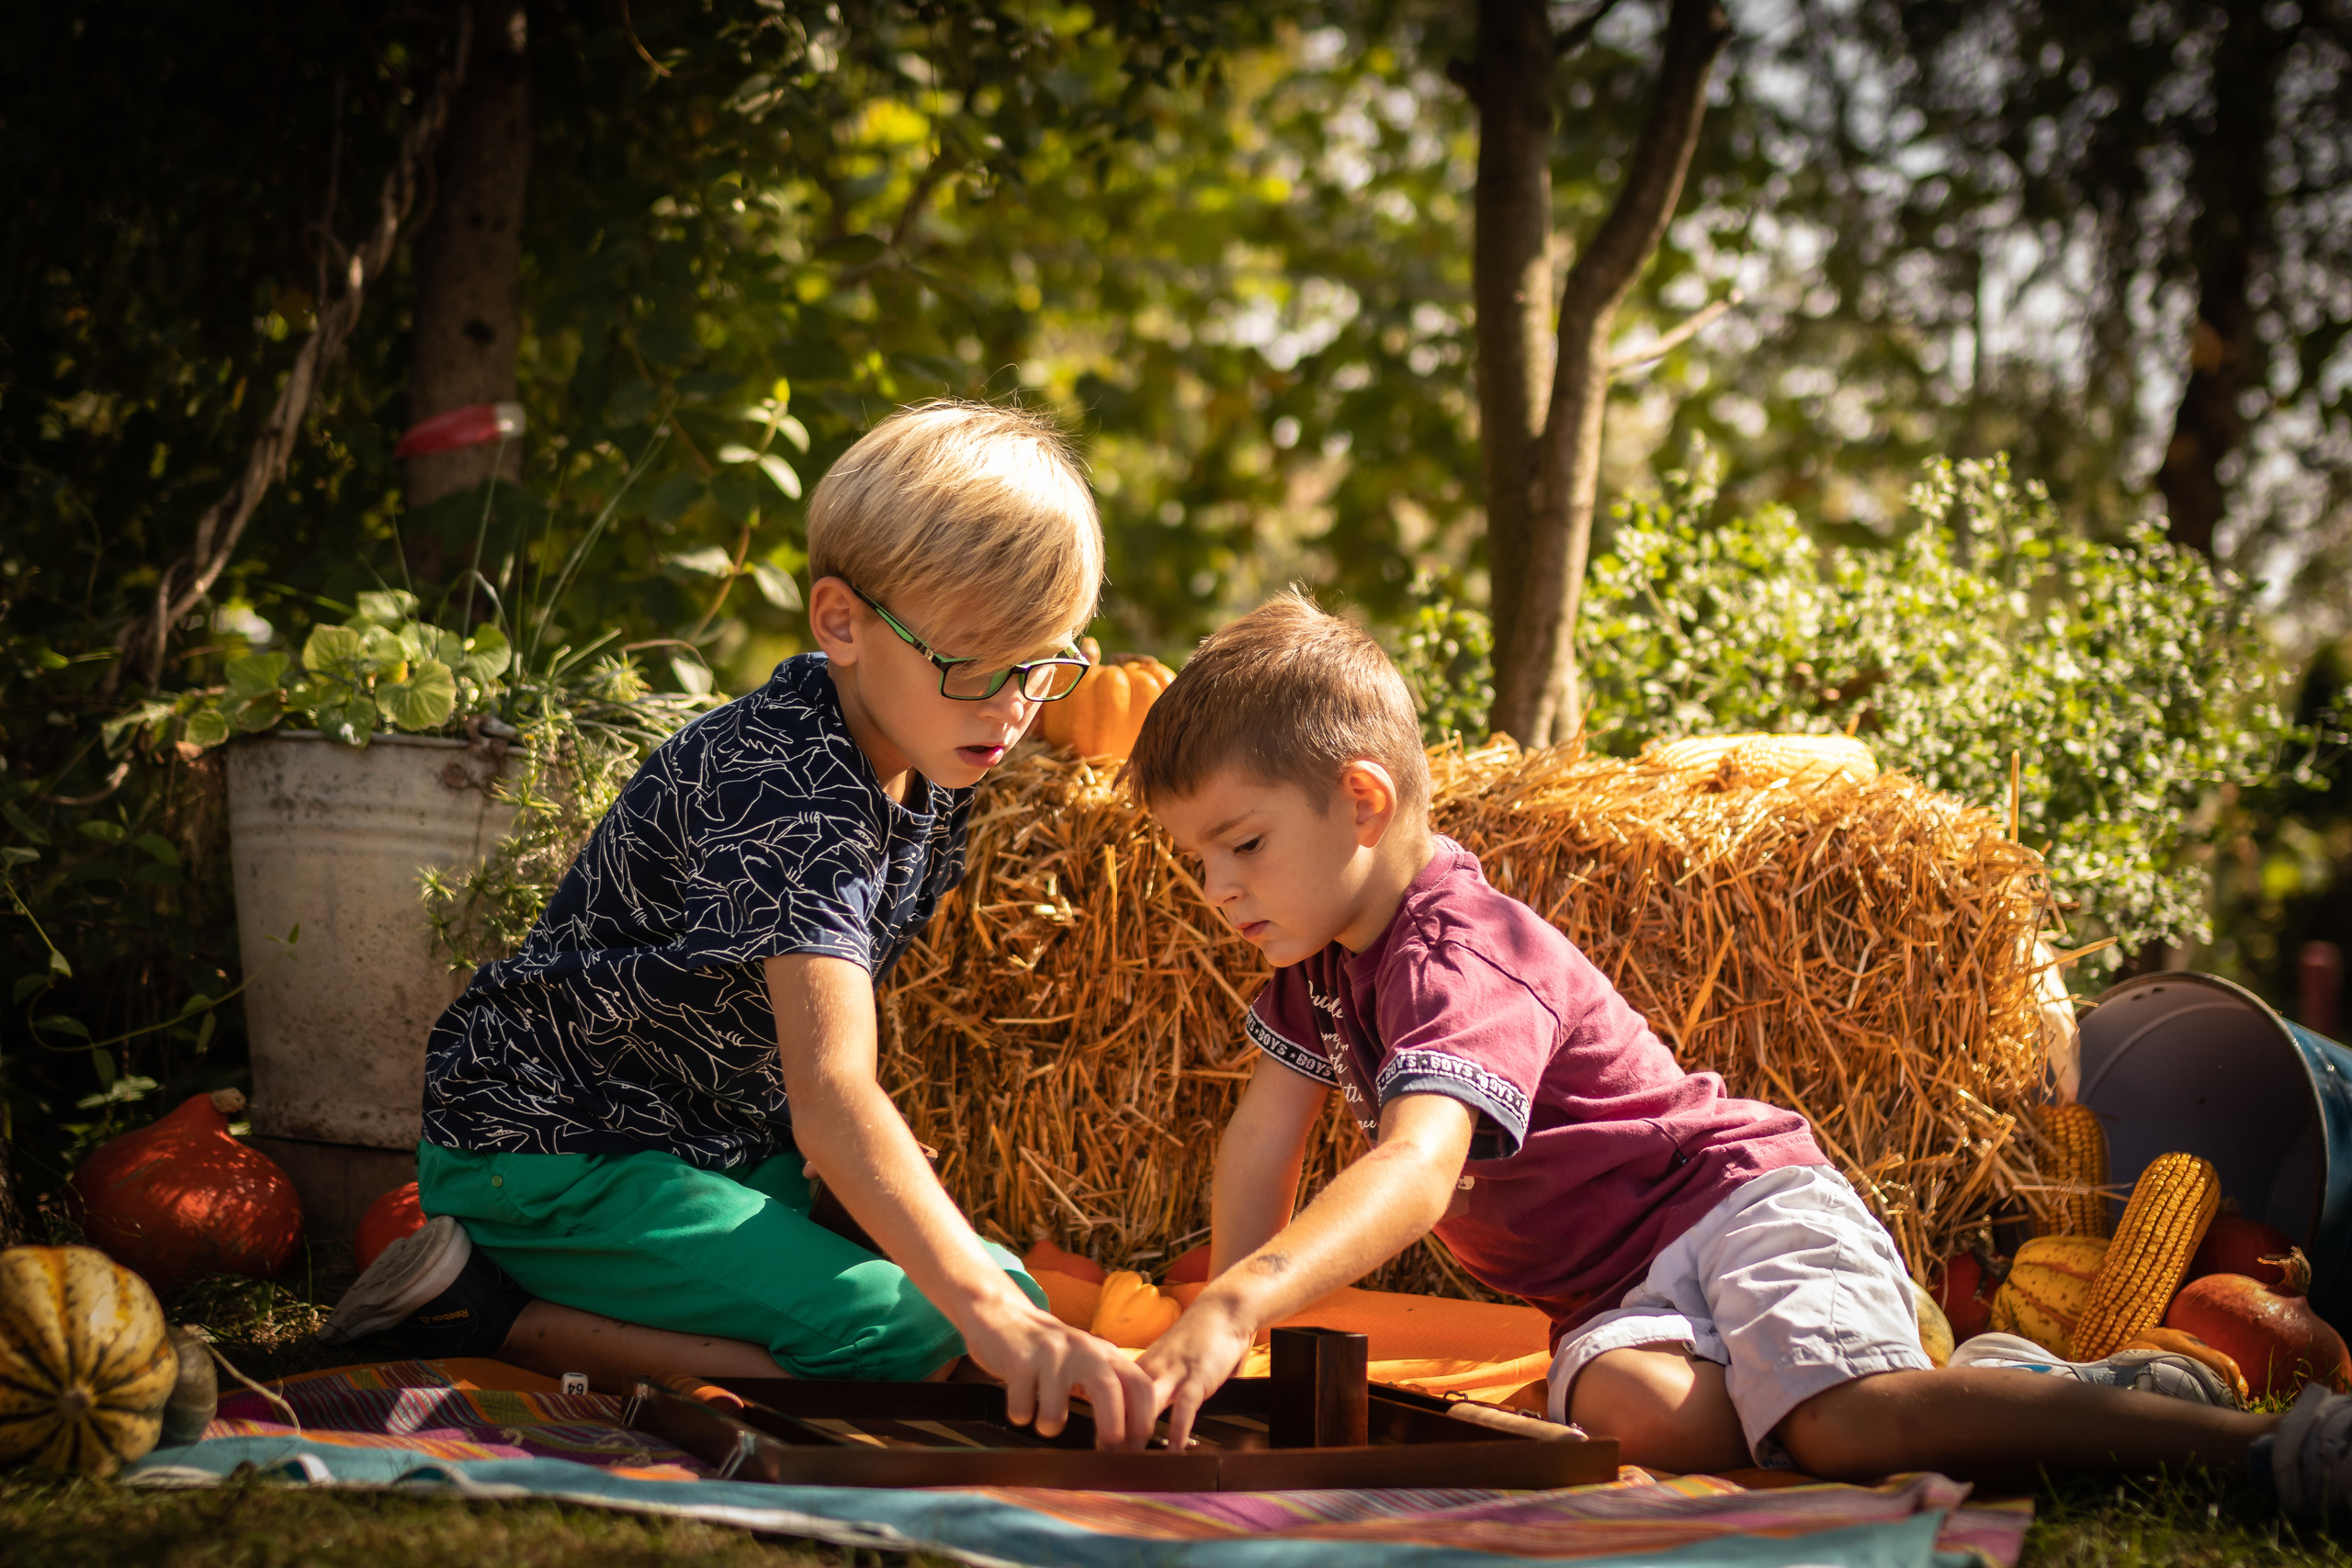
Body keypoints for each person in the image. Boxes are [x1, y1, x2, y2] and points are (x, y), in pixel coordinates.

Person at [1121, 591, 2352, 1511]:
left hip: (1734, 1202)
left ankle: (2242, 1445)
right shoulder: (1316, 964)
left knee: (1844, 1426)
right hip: (1618, 1292)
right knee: (1629, 1416)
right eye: (1199, 860)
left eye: (1241, 842)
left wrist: (1239, 1295)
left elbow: (1418, 1165)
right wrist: (1243, 1355)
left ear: (1365, 800)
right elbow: (1260, 1137)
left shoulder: (1461, 947)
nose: (1219, 886)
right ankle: (1979, 1384)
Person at [322, 400, 1157, 1445]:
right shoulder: (788, 796)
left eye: (1042, 668)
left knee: (999, 1288)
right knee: (913, 1329)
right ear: (841, 622)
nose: (1009, 707)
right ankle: (496, 1317)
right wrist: (973, 1309)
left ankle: (533, 1294)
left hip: (700, 1147)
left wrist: (983, 1293)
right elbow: (833, 1091)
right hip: (560, 1152)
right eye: (974, 662)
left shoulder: (925, 747)